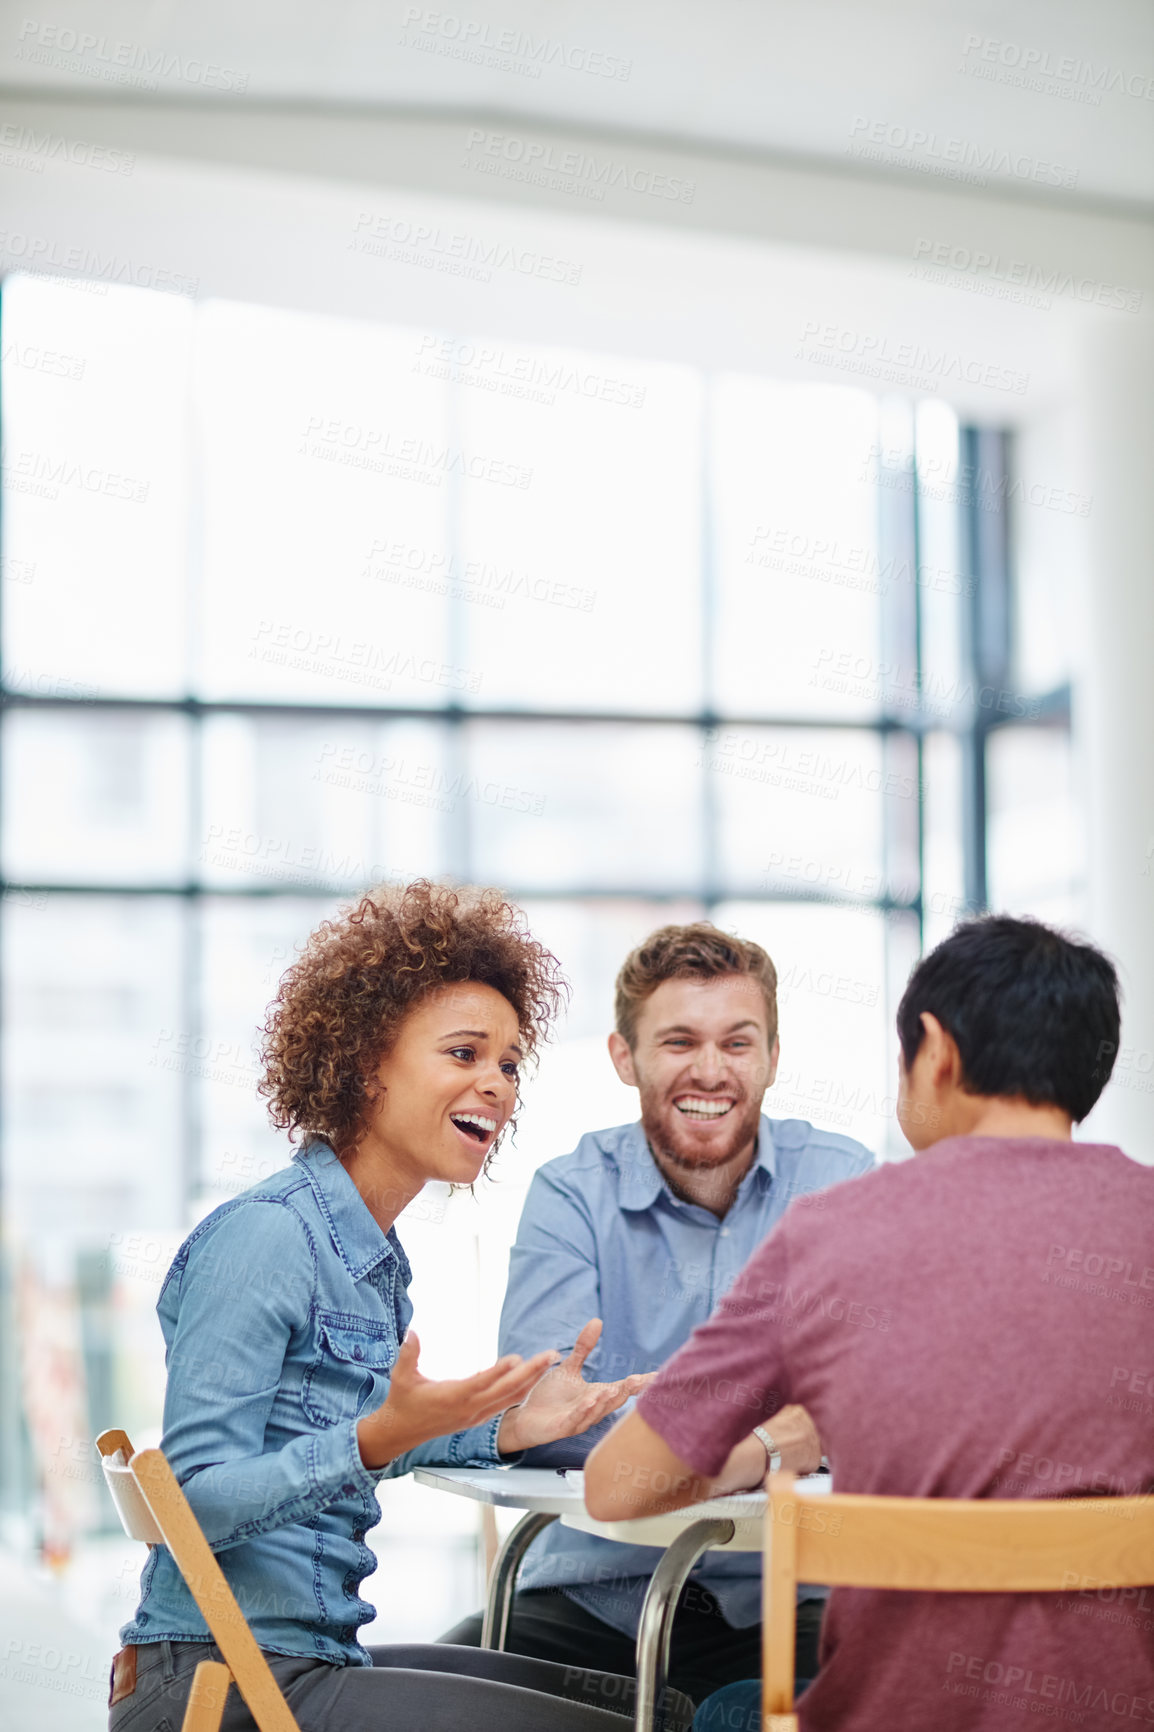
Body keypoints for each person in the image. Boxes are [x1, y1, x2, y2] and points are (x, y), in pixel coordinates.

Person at [109, 881, 684, 1732]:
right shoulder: (269, 1237)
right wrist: (372, 1440)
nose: (497, 1084)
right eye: (464, 1054)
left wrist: (509, 1427)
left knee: (657, 1711)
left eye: (509, 1063)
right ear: (367, 1062)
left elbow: (369, 1429)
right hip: (221, 1682)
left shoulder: (373, 1260)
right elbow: (186, 1508)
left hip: (307, 1662)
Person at [584, 915, 1154, 1732]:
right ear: (1093, 1065)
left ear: (935, 1049)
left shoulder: (832, 1233)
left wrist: (770, 1448)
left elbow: (617, 1484)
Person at [441, 921, 874, 1706]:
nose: (710, 1071)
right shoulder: (572, 1194)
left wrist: (661, 1437)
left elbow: (880, 1408)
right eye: (678, 1042)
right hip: (597, 1596)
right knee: (435, 1701)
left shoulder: (842, 1183)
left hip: (797, 1600)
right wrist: (770, 1442)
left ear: (773, 1058)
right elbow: (546, 1419)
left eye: (737, 1044)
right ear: (625, 1057)